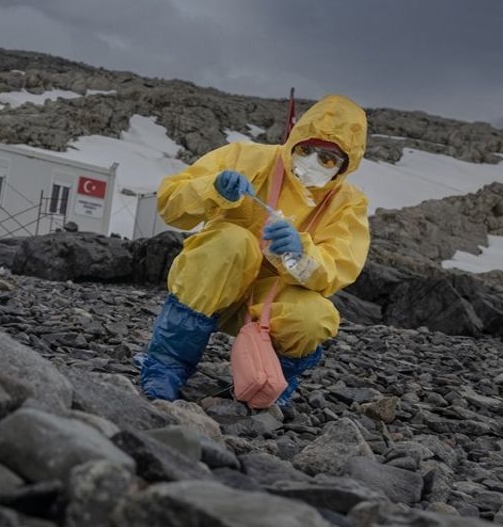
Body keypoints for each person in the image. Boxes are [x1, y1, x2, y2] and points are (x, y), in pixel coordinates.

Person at [138, 94, 370, 409]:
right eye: (305, 150)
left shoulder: (348, 204)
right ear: (294, 141)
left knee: (314, 317)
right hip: (212, 287)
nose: (312, 162)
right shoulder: (246, 157)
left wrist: (303, 253)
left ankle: (271, 385)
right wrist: (212, 188)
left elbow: (340, 266)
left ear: (345, 165)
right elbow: (170, 205)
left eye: (328, 159)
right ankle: (167, 366)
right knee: (233, 241)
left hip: (270, 303)